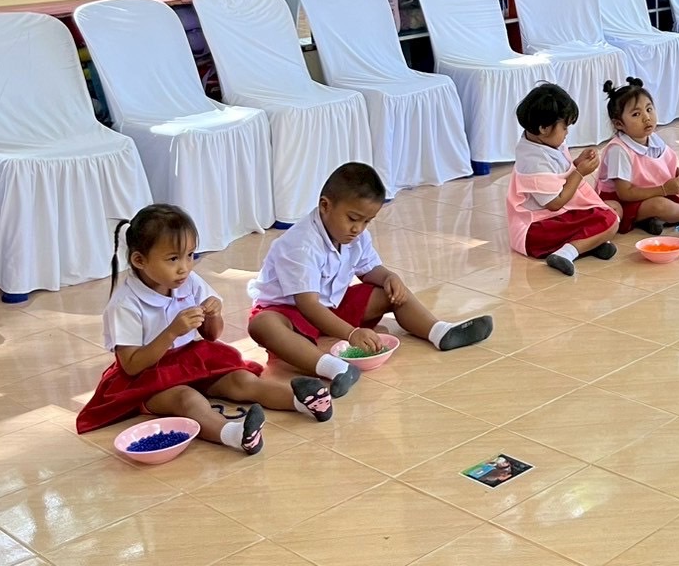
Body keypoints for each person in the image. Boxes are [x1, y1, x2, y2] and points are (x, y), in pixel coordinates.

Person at [76, 204, 335, 454]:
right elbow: (131, 365)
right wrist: (171, 333)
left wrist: (214, 316)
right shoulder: (124, 304)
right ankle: (235, 435)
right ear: (139, 260)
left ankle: (305, 401)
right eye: (173, 259)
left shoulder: (189, 281)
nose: (184, 267)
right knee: (187, 399)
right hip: (148, 378)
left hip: (191, 360)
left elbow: (212, 335)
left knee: (241, 380)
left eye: (190, 255)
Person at [247, 163, 493, 386]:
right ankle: (334, 369)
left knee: (391, 292)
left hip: (332, 306)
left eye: (367, 221)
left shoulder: (356, 236)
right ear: (325, 206)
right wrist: (351, 333)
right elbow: (308, 305)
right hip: (291, 313)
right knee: (263, 325)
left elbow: (369, 270)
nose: (358, 229)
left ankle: (440, 331)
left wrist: (388, 277)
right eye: (353, 218)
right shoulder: (300, 245)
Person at [508, 83, 621, 276]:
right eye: (565, 127)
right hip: (535, 232)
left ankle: (587, 244)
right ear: (544, 128)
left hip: (553, 218)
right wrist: (579, 172)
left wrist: (577, 163)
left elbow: (557, 175)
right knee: (610, 220)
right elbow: (555, 202)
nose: (567, 132)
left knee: (612, 209)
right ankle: (566, 253)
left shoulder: (543, 142)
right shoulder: (533, 160)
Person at [597, 78, 679, 235]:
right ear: (618, 124)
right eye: (636, 114)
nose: (646, 118)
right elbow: (625, 193)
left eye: (649, 109)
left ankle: (659, 219)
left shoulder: (654, 140)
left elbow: (656, 174)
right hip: (627, 203)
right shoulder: (618, 150)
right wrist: (663, 190)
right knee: (659, 205)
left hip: (655, 193)